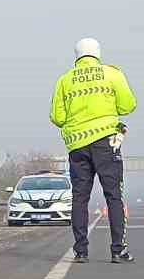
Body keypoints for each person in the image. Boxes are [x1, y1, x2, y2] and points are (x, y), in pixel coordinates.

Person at [50, 38, 137, 263]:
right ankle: (118, 250)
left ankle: (81, 251)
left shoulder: (64, 81)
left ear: (77, 55)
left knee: (80, 198)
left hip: (77, 146)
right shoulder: (112, 74)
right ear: (98, 54)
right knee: (114, 196)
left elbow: (57, 117)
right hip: (106, 143)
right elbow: (128, 106)